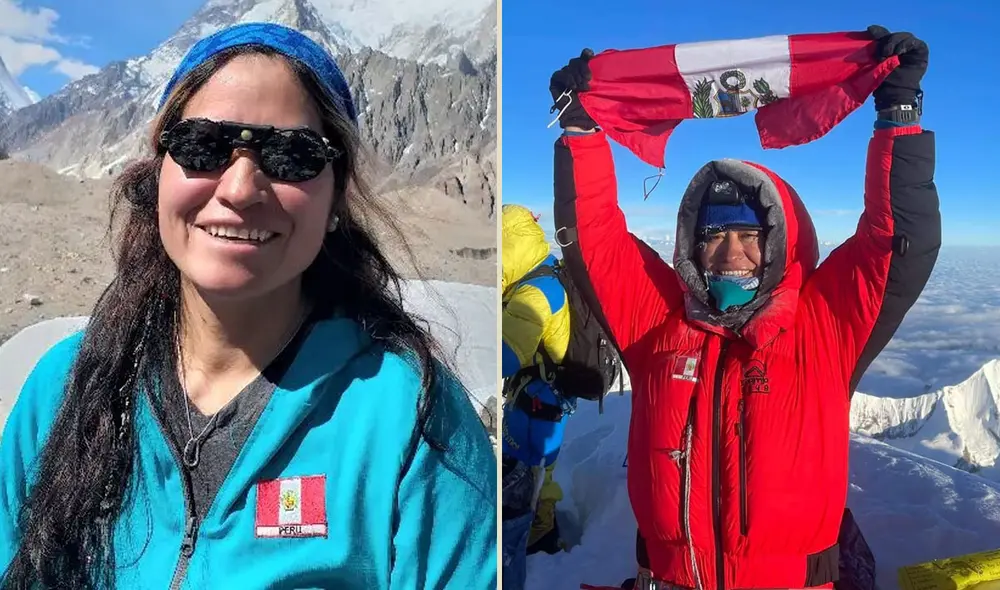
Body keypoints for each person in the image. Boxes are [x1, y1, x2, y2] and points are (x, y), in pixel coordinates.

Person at [0, 22, 496, 589]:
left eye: (291, 155)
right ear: (158, 173)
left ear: (337, 197)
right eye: (202, 146)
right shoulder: (63, 391)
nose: (239, 189)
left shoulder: (412, 422)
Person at [548, 25, 939, 590]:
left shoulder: (824, 330)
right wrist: (581, 128)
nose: (731, 252)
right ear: (691, 244)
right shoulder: (657, 325)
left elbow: (897, 241)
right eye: (713, 234)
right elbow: (595, 239)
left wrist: (898, 113)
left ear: (781, 241)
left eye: (751, 234)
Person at [500, 203, 574, 587]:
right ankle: (541, 530)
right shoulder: (540, 274)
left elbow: (506, 356)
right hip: (543, 400)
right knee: (538, 473)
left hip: (537, 407)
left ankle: (534, 538)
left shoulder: (537, 291)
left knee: (526, 476)